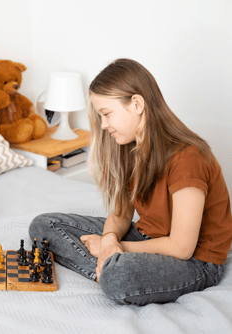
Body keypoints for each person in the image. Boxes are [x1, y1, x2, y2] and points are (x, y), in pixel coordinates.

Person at [29, 59, 232, 305]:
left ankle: (111, 269)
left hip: (195, 262)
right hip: (146, 239)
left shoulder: (189, 158)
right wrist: (109, 240)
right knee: (43, 226)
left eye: (106, 114)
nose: (103, 125)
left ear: (136, 104)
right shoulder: (131, 147)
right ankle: (109, 266)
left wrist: (118, 247)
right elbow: (121, 214)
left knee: (118, 276)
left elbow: (181, 248)